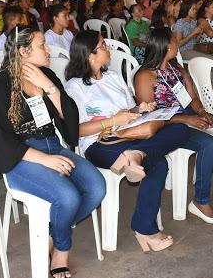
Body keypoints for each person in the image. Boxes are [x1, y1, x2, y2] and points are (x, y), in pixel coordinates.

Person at [0, 26, 105, 278]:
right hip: (21, 158)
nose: (49, 49)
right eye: (42, 45)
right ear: (23, 51)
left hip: (53, 147)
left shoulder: (46, 76)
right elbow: (0, 141)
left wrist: (50, 87)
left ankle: (51, 231)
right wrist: (46, 160)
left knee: (97, 187)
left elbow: (70, 128)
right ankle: (61, 248)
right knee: (68, 197)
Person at [65, 30, 186, 252]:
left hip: (130, 135)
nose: (108, 48)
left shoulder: (114, 77)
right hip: (99, 143)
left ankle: (136, 156)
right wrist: (112, 122)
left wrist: (138, 109)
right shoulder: (75, 87)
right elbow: (75, 131)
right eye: (103, 46)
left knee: (179, 127)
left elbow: (128, 111)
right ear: (90, 55)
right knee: (159, 163)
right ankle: (145, 229)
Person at [135, 27, 213, 224]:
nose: (178, 43)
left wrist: (202, 112)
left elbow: (192, 98)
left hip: (188, 117)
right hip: (166, 126)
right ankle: (200, 201)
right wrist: (186, 119)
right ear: (167, 46)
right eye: (175, 41)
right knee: (208, 144)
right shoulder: (145, 76)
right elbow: (148, 117)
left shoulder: (177, 70)